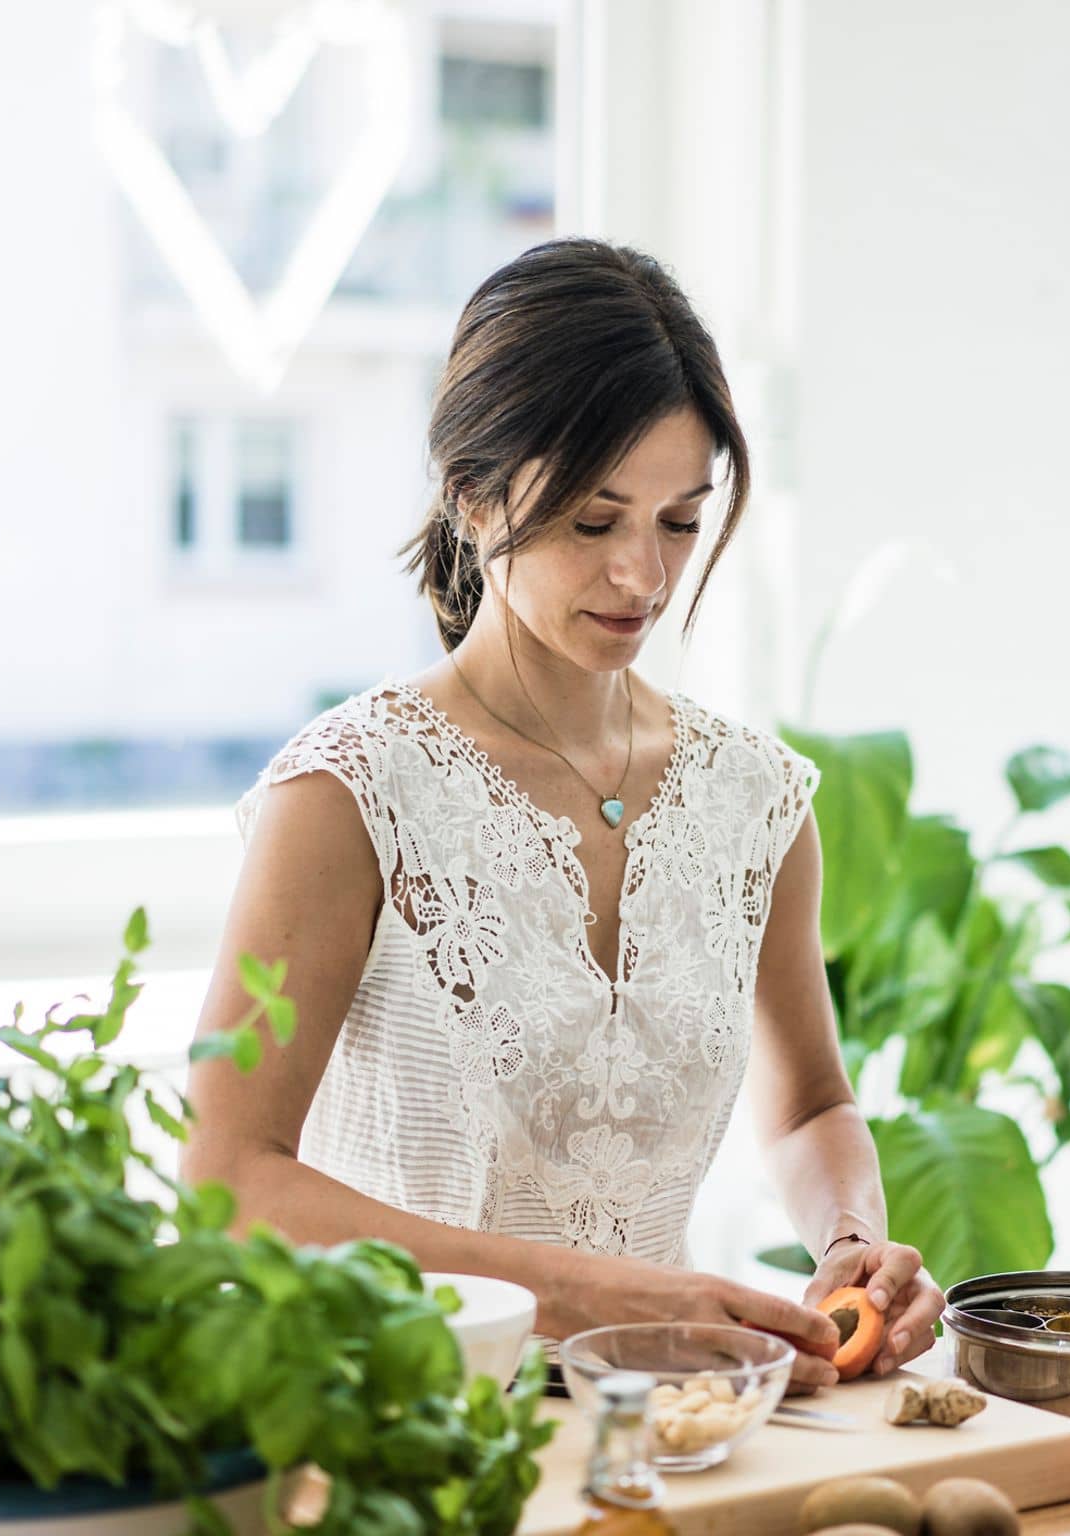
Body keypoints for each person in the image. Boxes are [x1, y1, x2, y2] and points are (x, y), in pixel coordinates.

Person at [183, 237, 944, 1392]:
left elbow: (810, 1107)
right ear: (471, 494)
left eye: (680, 522)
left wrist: (849, 1245)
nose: (642, 575)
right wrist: (593, 1294)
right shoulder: (348, 791)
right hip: (391, 1430)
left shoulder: (755, 797)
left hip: (673, 1431)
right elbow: (229, 1182)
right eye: (595, 522)